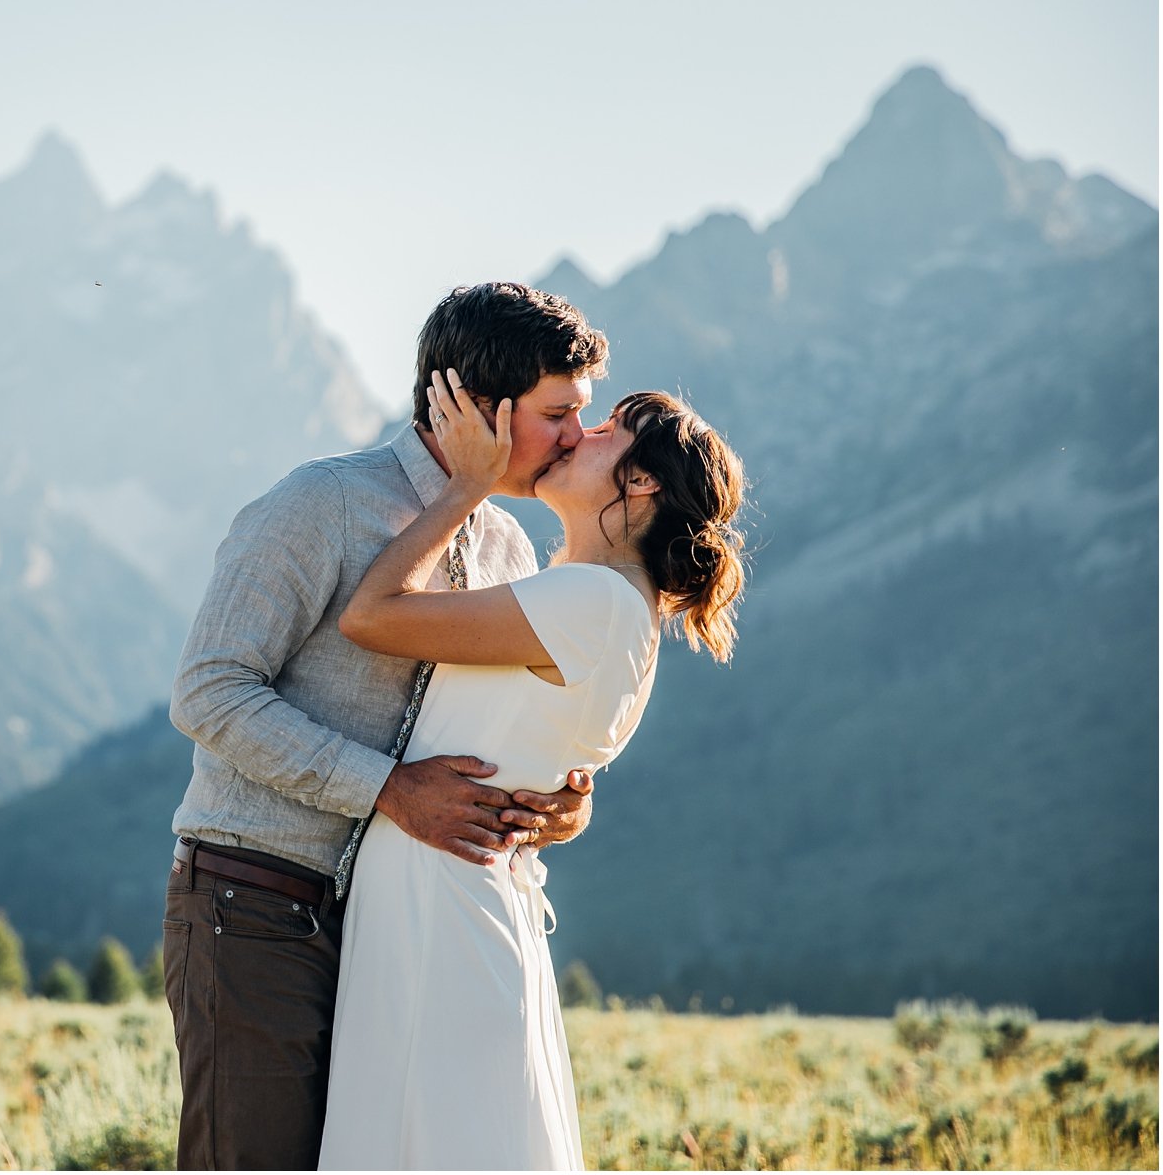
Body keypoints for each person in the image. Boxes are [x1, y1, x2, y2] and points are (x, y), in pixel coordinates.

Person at [163, 282, 610, 1170]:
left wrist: (556, 806)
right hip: (254, 907)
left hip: (398, 931)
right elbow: (209, 692)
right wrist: (389, 791)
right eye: (558, 413)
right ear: (480, 407)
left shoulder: (509, 551)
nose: (576, 439)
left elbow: (479, 732)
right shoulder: (320, 504)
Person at [317, 370, 747, 1170]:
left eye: (606, 430)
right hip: (460, 890)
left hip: (443, 898)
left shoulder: (592, 601)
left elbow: (369, 618)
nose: (577, 434)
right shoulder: (609, 604)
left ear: (641, 479)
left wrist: (464, 487)